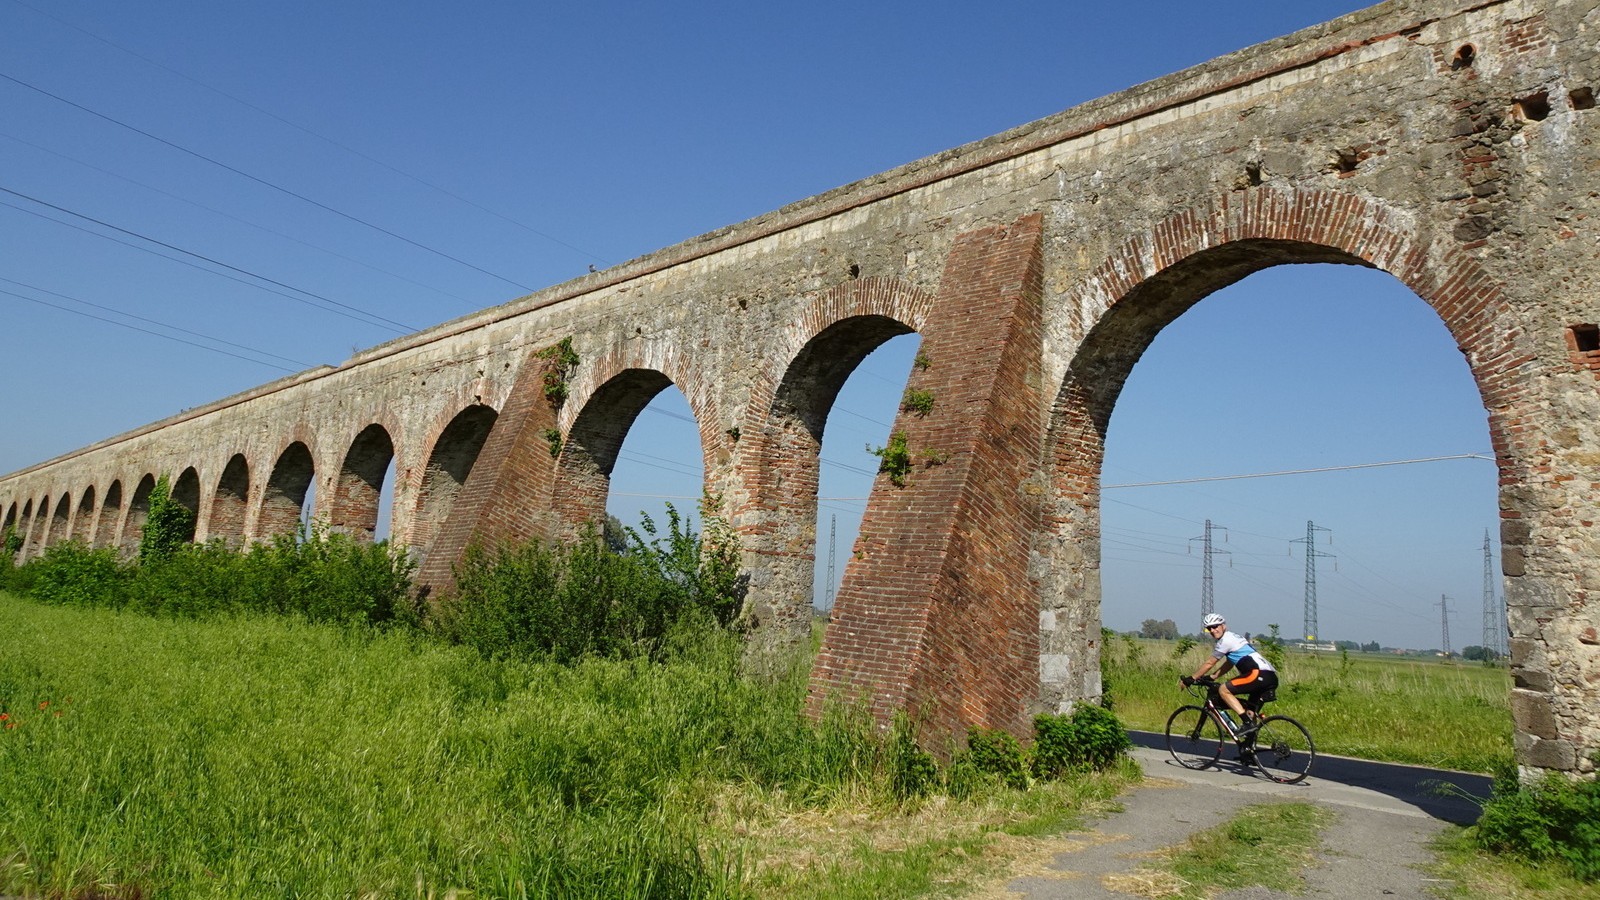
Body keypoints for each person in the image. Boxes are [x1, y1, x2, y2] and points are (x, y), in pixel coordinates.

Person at [1182, 612, 1278, 732]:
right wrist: (1212, 677)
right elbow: (1230, 662)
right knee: (1250, 712)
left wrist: (1190, 679)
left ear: (1223, 626)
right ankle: (1249, 746)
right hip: (1270, 676)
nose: (1212, 630)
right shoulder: (1235, 637)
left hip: (1257, 674)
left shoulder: (1225, 641)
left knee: (1223, 690)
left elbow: (1210, 663)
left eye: (1215, 626)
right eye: (1209, 628)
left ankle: (1247, 723)